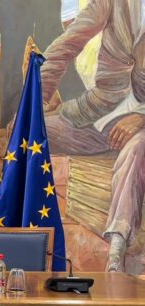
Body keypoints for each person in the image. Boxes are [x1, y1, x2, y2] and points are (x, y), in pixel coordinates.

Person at [40, 0, 145, 272]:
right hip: (100, 112)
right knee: (32, 132)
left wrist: (142, 118)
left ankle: (116, 251)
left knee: (136, 151)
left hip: (142, 126)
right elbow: (67, 44)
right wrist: (36, 101)